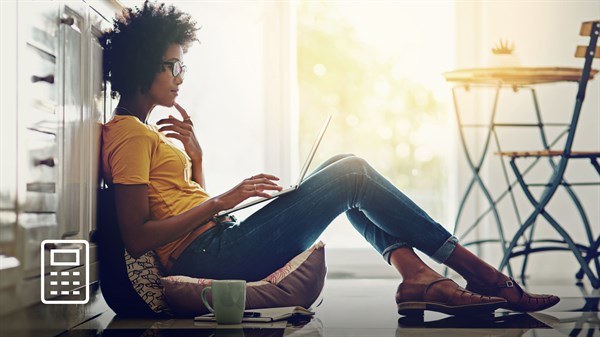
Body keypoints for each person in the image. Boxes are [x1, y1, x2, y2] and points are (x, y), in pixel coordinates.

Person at [99, 1, 559, 316]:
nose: (181, 76)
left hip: (219, 243)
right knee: (352, 173)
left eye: (184, 66)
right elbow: (138, 238)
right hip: (212, 257)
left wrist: (196, 161)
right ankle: (474, 270)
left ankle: (417, 274)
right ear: (144, 65)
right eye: (173, 65)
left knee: (345, 166)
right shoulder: (128, 135)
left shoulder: (139, 132)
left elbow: (175, 205)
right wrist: (222, 199)